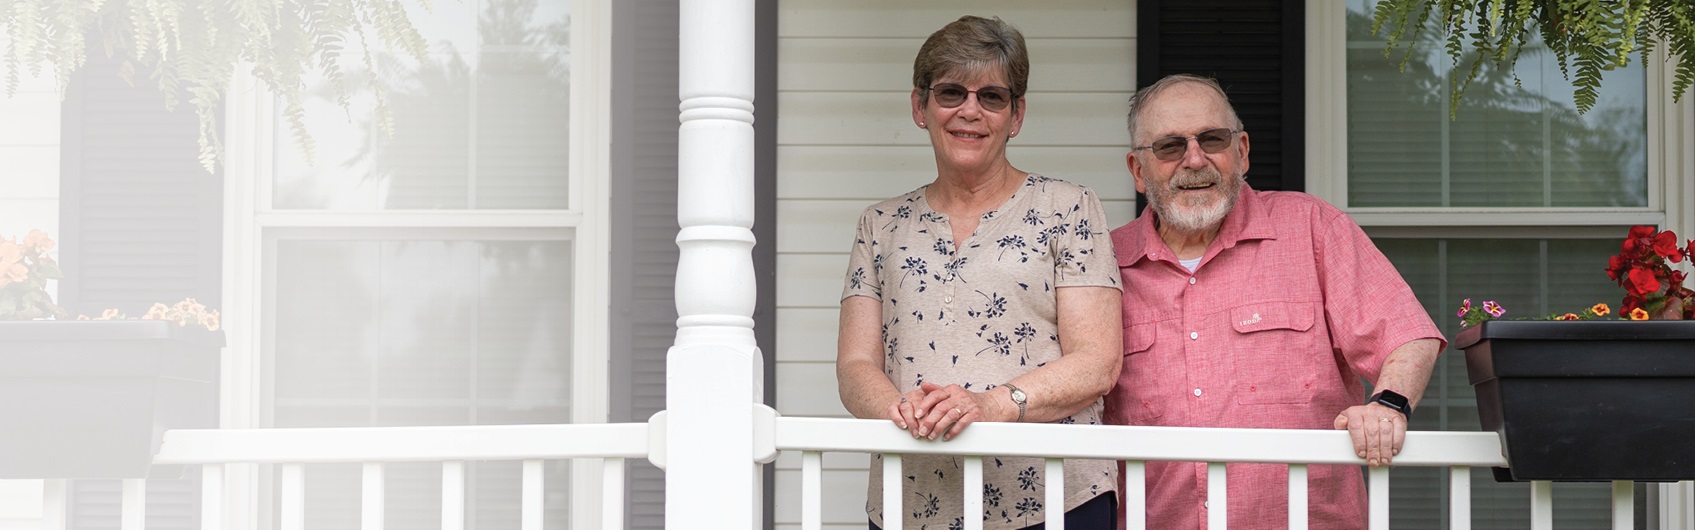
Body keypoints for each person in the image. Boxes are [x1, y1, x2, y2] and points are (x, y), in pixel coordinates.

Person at [1104, 73, 1445, 529]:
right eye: (1169, 146)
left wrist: (1387, 406)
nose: (1194, 159)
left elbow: (1406, 335)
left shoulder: (1312, 228)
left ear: (1241, 151)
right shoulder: (1103, 264)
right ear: (1137, 171)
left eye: (1213, 139)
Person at [836, 15, 1124, 530]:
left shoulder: (1070, 207)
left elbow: (1097, 362)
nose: (970, 110)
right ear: (919, 106)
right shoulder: (880, 225)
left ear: (1016, 116)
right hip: (912, 502)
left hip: (1055, 501)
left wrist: (989, 406)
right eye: (951, 92)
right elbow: (855, 364)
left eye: (992, 96)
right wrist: (905, 412)